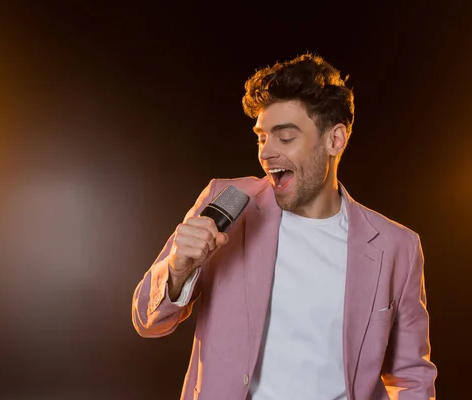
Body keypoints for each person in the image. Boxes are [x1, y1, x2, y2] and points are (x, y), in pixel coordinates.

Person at [131, 53, 437, 400]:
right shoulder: (229, 202)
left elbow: (412, 375)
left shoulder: (396, 247)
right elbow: (148, 320)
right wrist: (178, 268)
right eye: (262, 138)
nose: (267, 153)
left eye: (285, 137)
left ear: (335, 140)